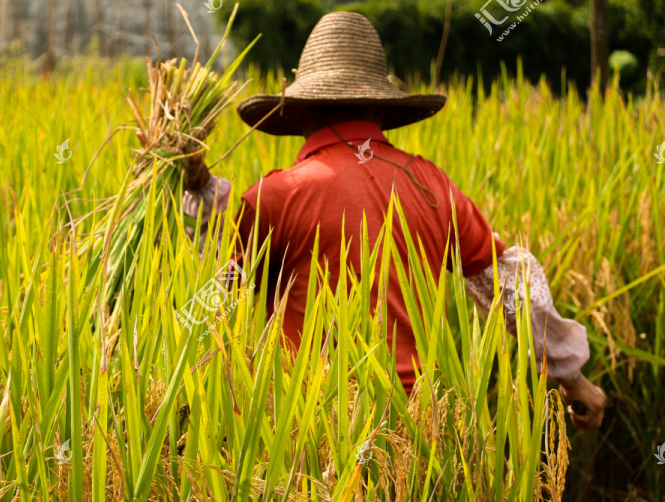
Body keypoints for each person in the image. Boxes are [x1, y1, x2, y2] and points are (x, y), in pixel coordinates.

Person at [180, 12, 605, 429]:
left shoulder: (277, 195)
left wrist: (197, 187)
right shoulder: (433, 186)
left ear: (302, 111)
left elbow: (217, 282)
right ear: (383, 110)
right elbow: (510, 286)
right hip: (418, 431)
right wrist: (570, 376)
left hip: (305, 439)